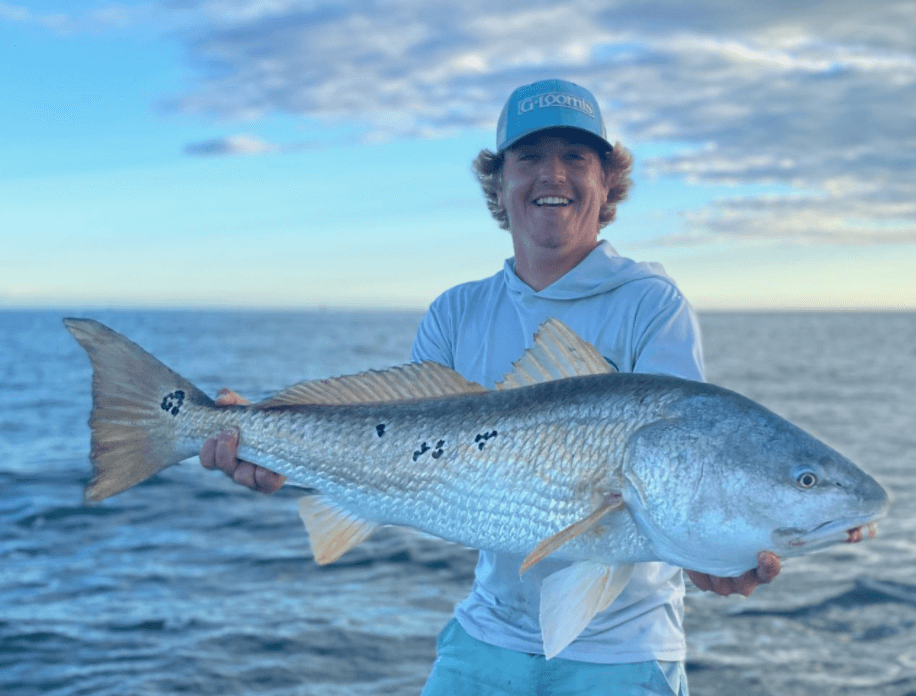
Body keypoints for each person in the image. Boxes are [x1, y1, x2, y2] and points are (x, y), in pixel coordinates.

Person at [200, 78, 781, 695]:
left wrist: (709, 561)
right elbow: (397, 459)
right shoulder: (456, 312)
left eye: (575, 157)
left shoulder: (651, 304)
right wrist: (269, 445)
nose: (552, 175)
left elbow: (684, 470)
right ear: (498, 182)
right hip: (486, 637)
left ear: (608, 181)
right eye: (529, 157)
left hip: (625, 651)